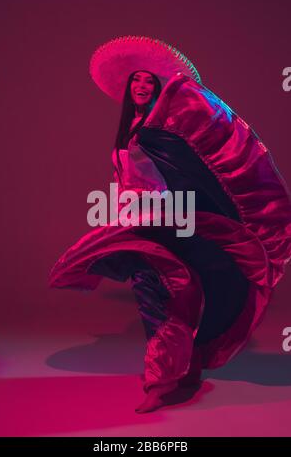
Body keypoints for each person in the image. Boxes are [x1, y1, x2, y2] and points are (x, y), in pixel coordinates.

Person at [49, 35, 291, 413]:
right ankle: (182, 368)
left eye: (149, 81)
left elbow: (191, 172)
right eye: (136, 81)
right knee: (164, 291)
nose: (142, 86)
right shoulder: (134, 128)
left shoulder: (160, 132)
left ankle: (163, 379)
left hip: (167, 219)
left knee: (159, 291)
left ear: (158, 87)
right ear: (129, 89)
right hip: (137, 219)